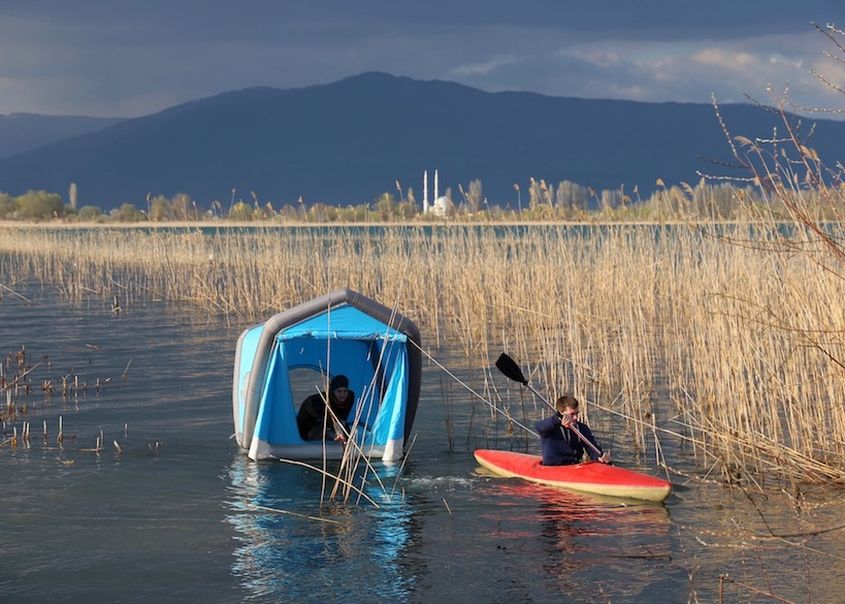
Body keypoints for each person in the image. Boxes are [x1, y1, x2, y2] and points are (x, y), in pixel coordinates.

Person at [535, 394, 611, 466]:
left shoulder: (582, 428)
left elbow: (592, 449)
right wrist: (557, 420)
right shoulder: (549, 427)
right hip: (554, 467)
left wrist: (599, 457)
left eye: (577, 413)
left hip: (575, 466)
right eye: (572, 414)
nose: (575, 417)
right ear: (561, 413)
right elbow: (539, 427)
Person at [296, 374, 355, 443]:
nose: (342, 395)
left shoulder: (350, 397)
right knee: (325, 432)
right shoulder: (323, 401)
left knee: (347, 435)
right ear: (333, 391)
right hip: (309, 421)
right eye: (339, 391)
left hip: (329, 419)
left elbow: (342, 418)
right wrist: (337, 434)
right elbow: (332, 420)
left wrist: (343, 432)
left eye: (345, 391)